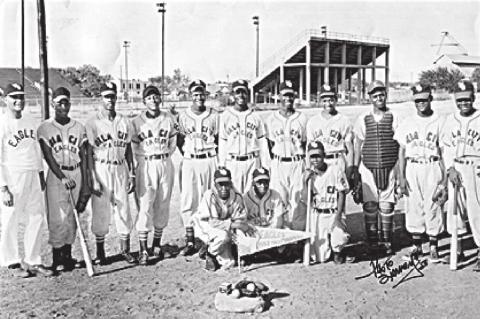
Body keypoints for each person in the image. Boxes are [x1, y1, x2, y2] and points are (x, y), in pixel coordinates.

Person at [0, 82, 53, 277]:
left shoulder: (30, 120)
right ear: (6, 100)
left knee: (36, 217)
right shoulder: (2, 122)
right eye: (14, 97)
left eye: (21, 96)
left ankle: (34, 260)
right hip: (12, 176)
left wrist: (40, 173)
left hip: (32, 173)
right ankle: (12, 261)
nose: (18, 101)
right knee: (11, 219)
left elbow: (35, 149)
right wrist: (3, 187)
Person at [37, 87, 90, 272]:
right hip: (57, 175)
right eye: (59, 102)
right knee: (57, 217)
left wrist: (85, 183)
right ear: (52, 104)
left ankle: (68, 256)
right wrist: (61, 177)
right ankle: (56, 257)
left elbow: (84, 157)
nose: (63, 106)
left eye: (66, 102)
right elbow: (48, 156)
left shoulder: (79, 127)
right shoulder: (44, 127)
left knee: (72, 217)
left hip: (76, 172)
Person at [85, 82, 136, 265]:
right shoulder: (93, 122)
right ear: (101, 98)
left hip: (120, 167)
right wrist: (93, 177)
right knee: (100, 210)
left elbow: (129, 148)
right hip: (102, 167)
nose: (110, 100)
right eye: (107, 96)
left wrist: (131, 174)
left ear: (116, 97)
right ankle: (100, 253)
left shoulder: (124, 121)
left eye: (112, 96)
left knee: (123, 208)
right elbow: (89, 153)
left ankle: (125, 250)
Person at [394, 84, 445, 263]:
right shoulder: (408, 122)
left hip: (432, 165)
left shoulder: (440, 121)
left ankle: (433, 245)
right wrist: (400, 176)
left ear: (430, 99)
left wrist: (444, 179)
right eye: (417, 101)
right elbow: (401, 150)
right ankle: (416, 245)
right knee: (414, 205)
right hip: (413, 166)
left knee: (433, 205)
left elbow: (443, 151)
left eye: (424, 99)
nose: (421, 103)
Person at [131, 85, 177, 265]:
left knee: (163, 203)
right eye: (149, 98)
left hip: (165, 162)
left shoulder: (169, 118)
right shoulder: (136, 122)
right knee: (145, 205)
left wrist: (165, 156)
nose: (153, 100)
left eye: (156, 96)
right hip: (146, 163)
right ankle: (143, 249)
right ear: (144, 101)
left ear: (160, 99)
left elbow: (173, 142)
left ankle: (156, 245)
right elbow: (133, 146)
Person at [352, 80, 400, 256]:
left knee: (387, 206)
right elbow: (358, 143)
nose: (379, 98)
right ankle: (372, 242)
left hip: (390, 164)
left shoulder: (394, 117)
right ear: (370, 98)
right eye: (375, 95)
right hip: (368, 166)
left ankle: (387, 241)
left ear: (385, 95)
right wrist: (354, 168)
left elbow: (400, 144)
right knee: (370, 205)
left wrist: (400, 172)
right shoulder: (363, 119)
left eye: (381, 94)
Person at [441, 79, 480, 271]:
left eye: (467, 99)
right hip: (457, 167)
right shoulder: (450, 119)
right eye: (460, 100)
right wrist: (450, 169)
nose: (463, 103)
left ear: (473, 98)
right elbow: (446, 147)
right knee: (455, 210)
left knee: (477, 209)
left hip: (476, 168)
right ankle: (457, 248)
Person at [176, 80, 219, 257]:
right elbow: (179, 141)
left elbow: (219, 140)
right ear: (190, 95)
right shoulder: (183, 116)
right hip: (190, 161)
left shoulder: (214, 115)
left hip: (209, 159)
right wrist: (189, 155)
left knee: (210, 199)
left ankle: (209, 239)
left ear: (205, 95)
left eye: (201, 93)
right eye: (195, 93)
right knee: (189, 200)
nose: (199, 97)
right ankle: (190, 239)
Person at [193, 167, 255, 271]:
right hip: (205, 226)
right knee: (223, 236)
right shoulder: (209, 195)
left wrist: (237, 231)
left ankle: (229, 250)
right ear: (215, 184)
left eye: (226, 183)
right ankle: (210, 253)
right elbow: (213, 223)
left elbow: (240, 219)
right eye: (220, 184)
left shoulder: (237, 196)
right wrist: (236, 226)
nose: (224, 187)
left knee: (230, 263)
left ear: (231, 183)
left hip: (225, 226)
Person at [265, 81, 307, 231]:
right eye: (285, 95)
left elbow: (305, 143)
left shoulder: (303, 118)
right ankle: (281, 243)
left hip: (297, 163)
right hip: (278, 163)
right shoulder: (271, 119)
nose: (288, 98)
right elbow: (270, 145)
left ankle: (298, 239)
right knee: (278, 201)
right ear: (279, 96)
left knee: (298, 202)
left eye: (291, 94)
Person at [301, 141, 352, 264]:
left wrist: (339, 216)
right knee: (320, 258)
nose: (315, 160)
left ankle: (339, 252)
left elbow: (342, 193)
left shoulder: (335, 169)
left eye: (318, 156)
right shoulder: (309, 174)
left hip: (333, 211)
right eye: (312, 157)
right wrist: (305, 182)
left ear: (324, 155)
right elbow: (305, 199)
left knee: (339, 237)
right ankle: (328, 248)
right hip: (318, 214)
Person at [218, 79, 270, 193]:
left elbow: (263, 144)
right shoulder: (225, 116)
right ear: (233, 95)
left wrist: (265, 165)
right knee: (234, 197)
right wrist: (221, 165)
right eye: (238, 92)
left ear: (248, 94)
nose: (241, 95)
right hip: (233, 162)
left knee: (252, 197)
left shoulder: (256, 116)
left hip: (252, 161)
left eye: (244, 92)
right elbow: (222, 143)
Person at [306, 84, 354, 181]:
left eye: (331, 100)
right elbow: (308, 148)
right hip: (319, 162)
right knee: (319, 194)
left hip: (337, 160)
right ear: (320, 101)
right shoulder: (313, 121)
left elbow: (349, 149)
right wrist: (308, 168)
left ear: (336, 100)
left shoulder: (344, 121)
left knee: (339, 193)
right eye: (325, 101)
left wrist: (349, 169)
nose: (328, 103)